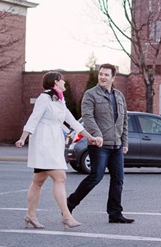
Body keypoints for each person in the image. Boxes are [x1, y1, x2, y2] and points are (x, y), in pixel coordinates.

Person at [15, 71, 100, 230]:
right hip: (43, 143)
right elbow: (33, 119)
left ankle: (30, 215)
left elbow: (73, 121)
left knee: (38, 181)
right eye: (62, 81)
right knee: (60, 177)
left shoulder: (60, 100)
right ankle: (67, 216)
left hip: (54, 142)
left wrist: (90, 137)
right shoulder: (44, 98)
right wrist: (23, 137)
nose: (64, 83)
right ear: (55, 82)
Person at [67, 63, 134, 224]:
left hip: (116, 145)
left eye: (106, 75)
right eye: (101, 74)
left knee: (118, 180)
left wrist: (124, 141)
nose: (102, 77)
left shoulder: (119, 96)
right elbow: (88, 117)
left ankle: (115, 214)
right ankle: (70, 204)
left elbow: (123, 120)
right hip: (99, 145)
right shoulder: (90, 95)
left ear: (113, 77)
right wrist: (96, 135)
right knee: (95, 177)